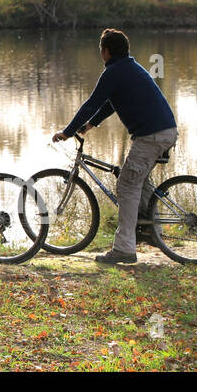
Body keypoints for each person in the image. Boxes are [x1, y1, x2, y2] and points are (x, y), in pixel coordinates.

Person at [53, 28, 177, 265]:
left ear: (106, 51)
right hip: (165, 131)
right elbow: (111, 103)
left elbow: (92, 103)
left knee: (127, 184)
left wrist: (67, 132)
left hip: (151, 136)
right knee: (141, 182)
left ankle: (124, 249)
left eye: (101, 50)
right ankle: (153, 232)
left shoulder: (113, 72)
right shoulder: (129, 67)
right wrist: (91, 124)